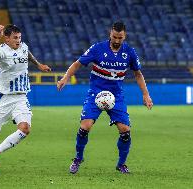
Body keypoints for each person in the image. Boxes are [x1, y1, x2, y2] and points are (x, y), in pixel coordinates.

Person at [57, 21, 153, 174]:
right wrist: (65, 77)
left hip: (117, 96)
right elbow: (77, 64)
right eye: (114, 37)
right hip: (96, 93)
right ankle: (78, 158)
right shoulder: (97, 48)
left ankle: (121, 164)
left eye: (120, 38)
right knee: (85, 126)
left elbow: (138, 74)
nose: (116, 40)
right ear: (110, 33)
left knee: (125, 130)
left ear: (125, 36)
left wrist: (146, 94)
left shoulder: (130, 52)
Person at [0, 24, 51, 169]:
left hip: (21, 97)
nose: (18, 40)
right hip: (4, 98)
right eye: (15, 38)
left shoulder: (23, 46)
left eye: (19, 37)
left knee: (25, 129)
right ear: (6, 39)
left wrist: (38, 65)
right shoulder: (1, 51)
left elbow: (27, 53)